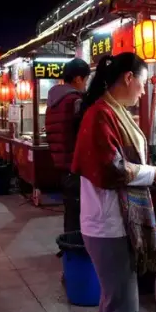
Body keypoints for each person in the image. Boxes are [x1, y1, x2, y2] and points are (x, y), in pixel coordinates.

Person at [72, 52, 156, 312]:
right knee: (125, 311)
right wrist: (153, 173)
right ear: (128, 78)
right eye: (142, 83)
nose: (143, 91)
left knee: (113, 304)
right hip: (109, 226)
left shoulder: (113, 111)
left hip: (110, 224)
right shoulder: (101, 113)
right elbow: (111, 169)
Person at [45, 58, 91, 233]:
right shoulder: (74, 101)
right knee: (79, 213)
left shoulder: (53, 101)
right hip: (76, 164)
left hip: (62, 164)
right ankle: (76, 252)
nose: (86, 85)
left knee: (71, 210)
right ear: (78, 79)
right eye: (86, 80)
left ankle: (70, 250)